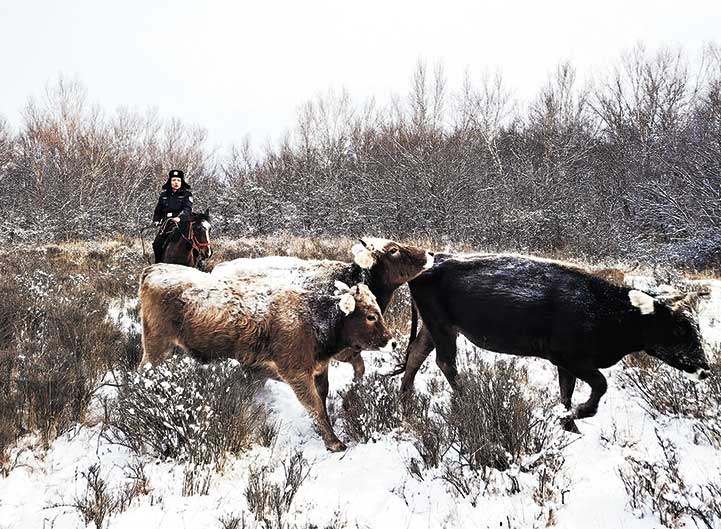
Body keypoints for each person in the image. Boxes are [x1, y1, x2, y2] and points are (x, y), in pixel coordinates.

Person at [152, 169, 193, 263]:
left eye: (178, 180)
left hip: (182, 223)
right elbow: (158, 210)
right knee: (157, 244)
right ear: (170, 181)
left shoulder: (186, 194)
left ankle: (198, 264)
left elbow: (188, 209)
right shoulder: (164, 195)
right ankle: (158, 265)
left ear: (181, 182)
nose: (176, 183)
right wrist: (156, 220)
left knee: (192, 243)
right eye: (174, 180)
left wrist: (180, 218)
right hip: (167, 223)